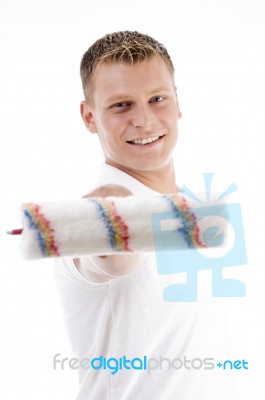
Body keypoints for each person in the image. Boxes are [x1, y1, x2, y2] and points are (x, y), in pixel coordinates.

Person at [54, 31, 238, 399]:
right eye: (121, 105)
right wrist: (109, 231)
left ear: (177, 102)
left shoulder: (194, 210)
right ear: (89, 117)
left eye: (157, 99)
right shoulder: (93, 218)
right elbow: (104, 260)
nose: (145, 120)